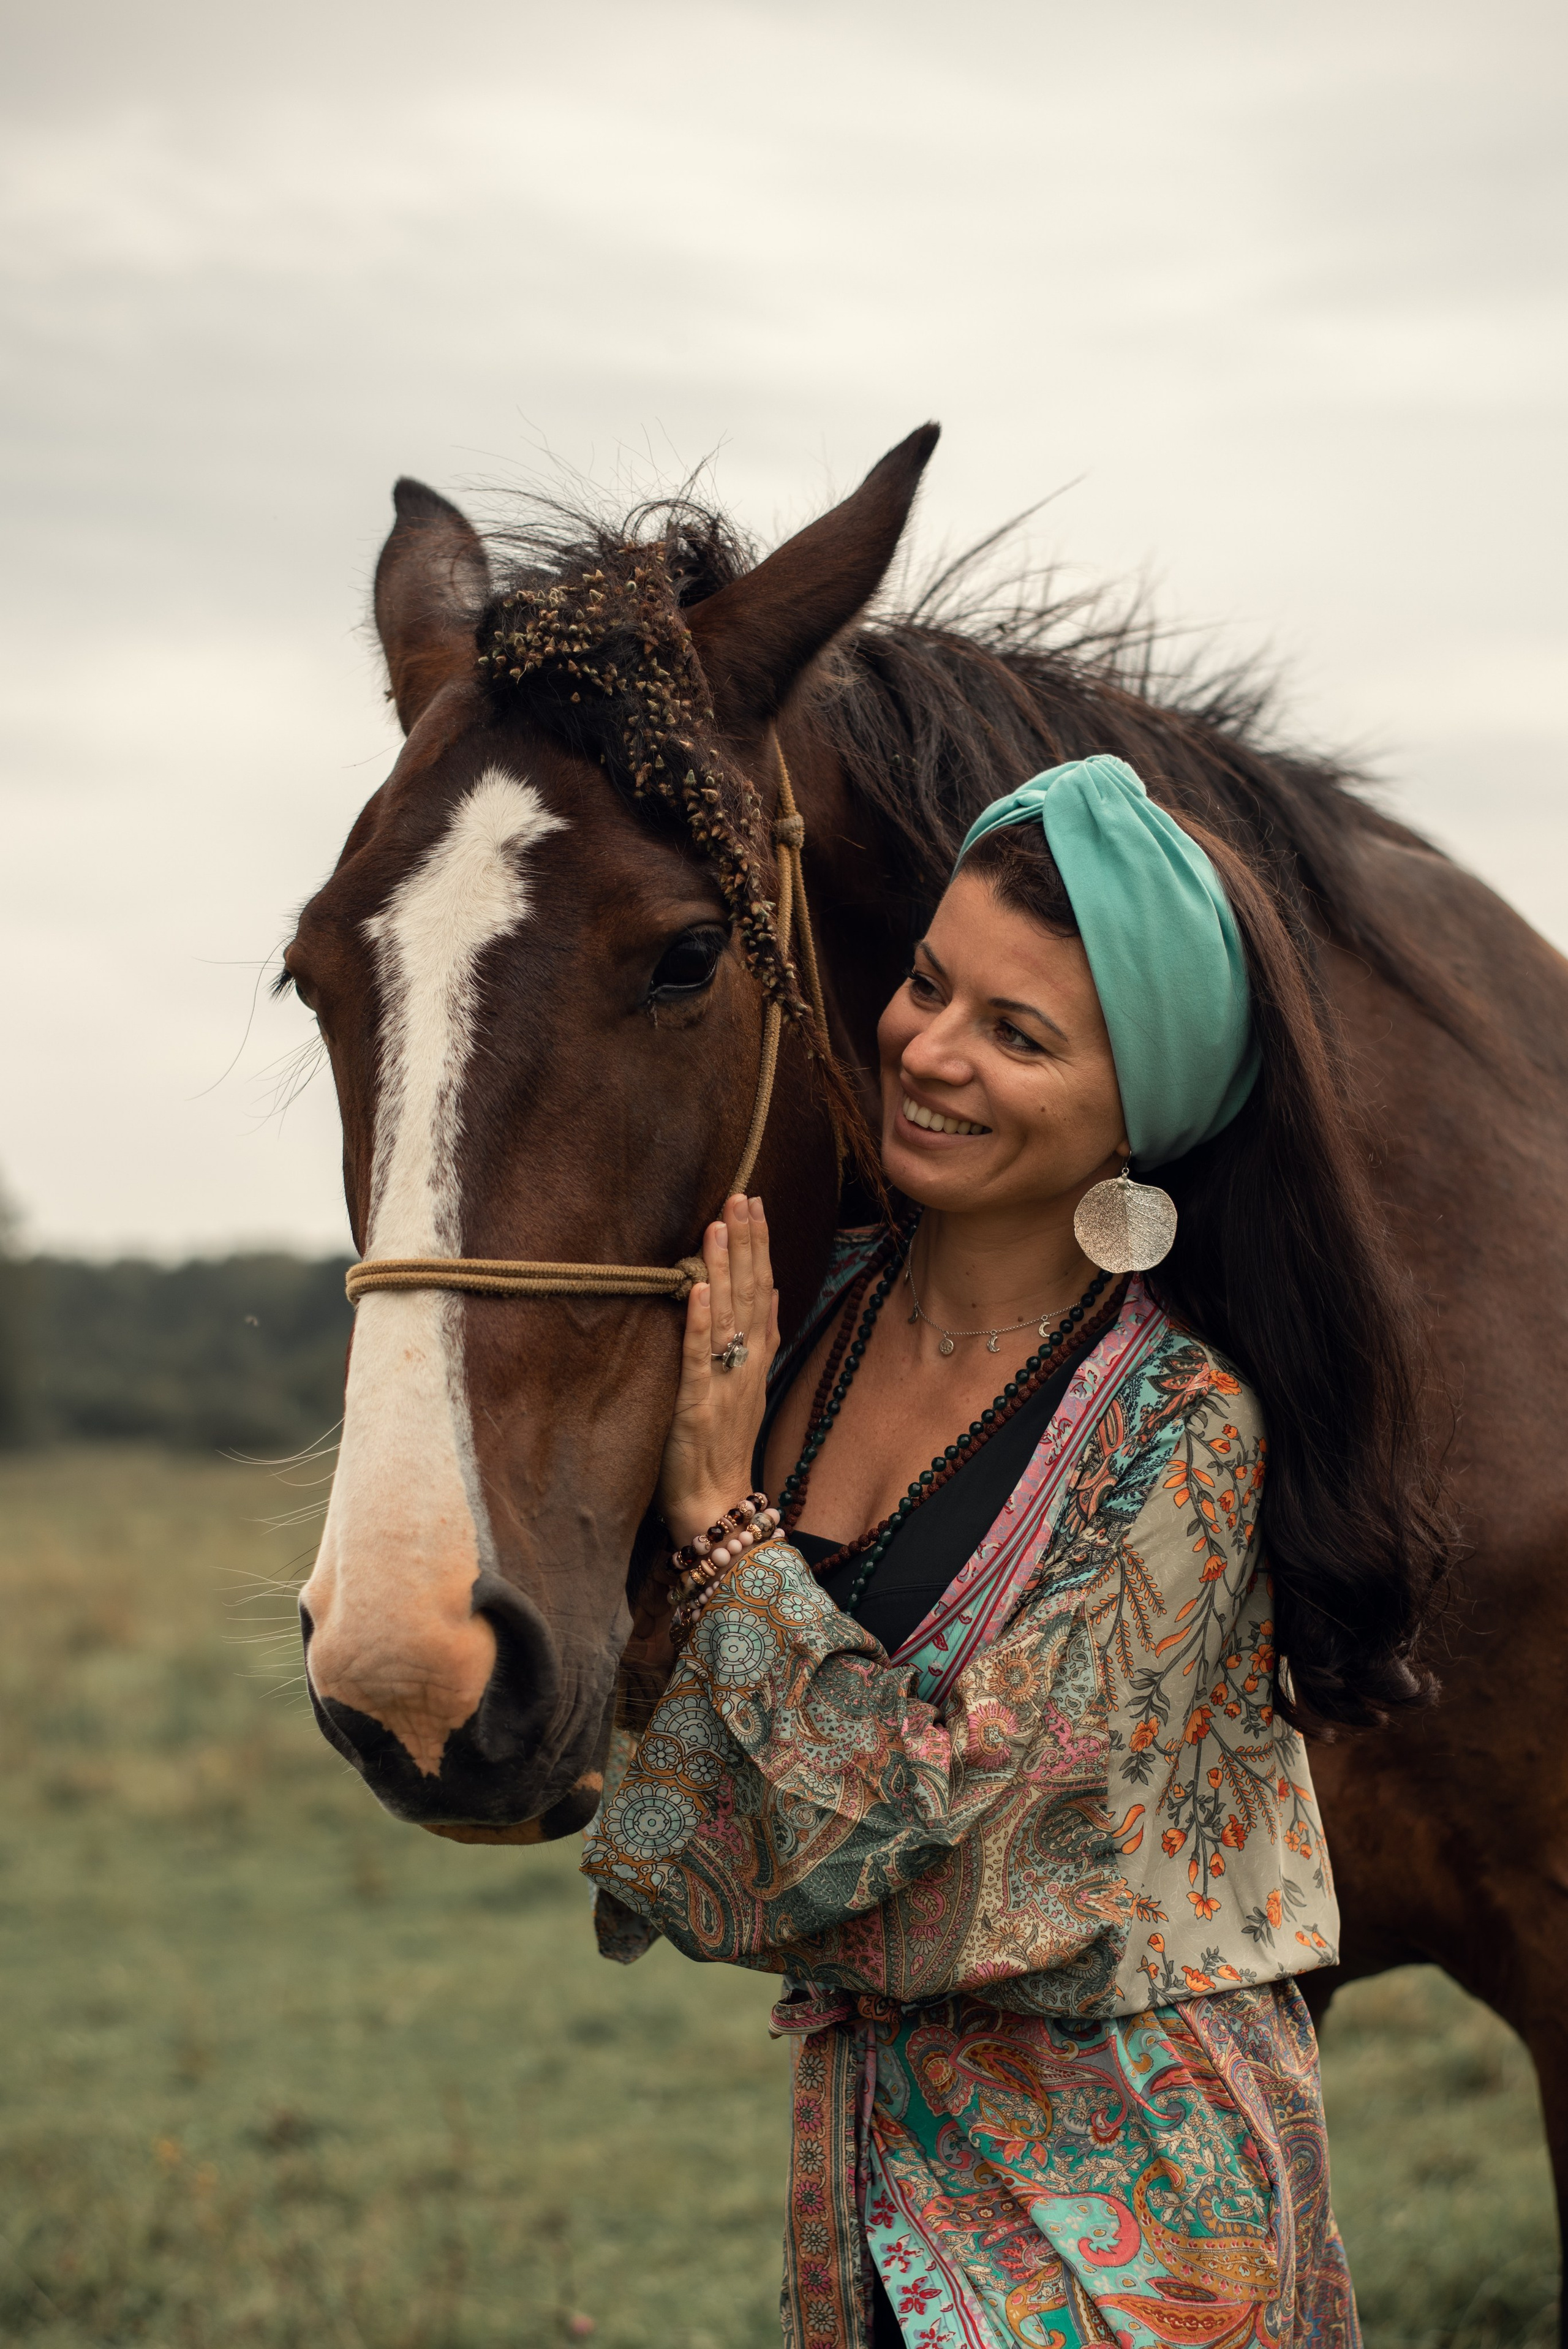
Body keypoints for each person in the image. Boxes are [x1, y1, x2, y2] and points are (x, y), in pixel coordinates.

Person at [581, 755, 1446, 2349]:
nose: (930, 1050)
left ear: (1142, 1111)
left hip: (1135, 2214)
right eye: (928, 982)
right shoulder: (796, 1325)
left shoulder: (1185, 1425)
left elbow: (978, 1852)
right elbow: (661, 1761)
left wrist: (720, 1531)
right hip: (866, 2178)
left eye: (1019, 1033)